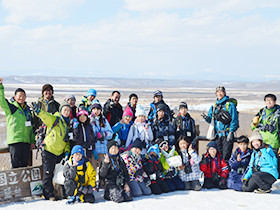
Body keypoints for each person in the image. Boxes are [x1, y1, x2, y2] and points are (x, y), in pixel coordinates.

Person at [31, 101, 71, 200]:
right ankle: (48, 195)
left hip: (60, 152)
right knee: (48, 174)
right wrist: (38, 111)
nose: (66, 112)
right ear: (60, 110)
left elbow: (66, 141)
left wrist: (66, 151)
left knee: (61, 173)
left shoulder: (67, 124)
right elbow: (45, 116)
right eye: (64, 110)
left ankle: (61, 193)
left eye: (68, 110)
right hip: (49, 150)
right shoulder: (55, 119)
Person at [0, 77, 35, 168]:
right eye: (19, 96)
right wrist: (0, 87)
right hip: (15, 141)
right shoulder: (12, 108)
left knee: (24, 166)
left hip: (26, 142)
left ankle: (23, 183)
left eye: (23, 96)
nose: (21, 98)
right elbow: (2, 101)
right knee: (15, 166)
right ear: (15, 97)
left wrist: (32, 141)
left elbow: (30, 128)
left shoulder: (28, 111)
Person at [202, 86, 238, 162]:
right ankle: (217, 173)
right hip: (217, 136)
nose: (219, 93)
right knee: (216, 157)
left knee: (225, 157)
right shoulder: (214, 106)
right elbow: (211, 121)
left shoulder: (230, 105)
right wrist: (207, 118)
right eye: (218, 92)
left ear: (224, 93)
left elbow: (234, 120)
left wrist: (231, 132)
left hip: (227, 134)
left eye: (221, 91)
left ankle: (225, 173)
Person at [251, 94, 280, 163]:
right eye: (267, 100)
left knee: (274, 164)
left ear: (275, 102)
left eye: (271, 100)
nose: (269, 102)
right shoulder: (261, 112)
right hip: (262, 144)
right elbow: (253, 128)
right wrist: (254, 124)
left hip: (274, 144)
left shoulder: (278, 114)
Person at [90, 101, 113, 170]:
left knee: (102, 168)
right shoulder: (88, 119)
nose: (96, 111)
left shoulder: (103, 120)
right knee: (93, 168)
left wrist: (104, 134)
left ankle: (101, 180)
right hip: (93, 149)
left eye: (98, 109)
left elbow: (110, 133)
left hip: (103, 148)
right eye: (94, 109)